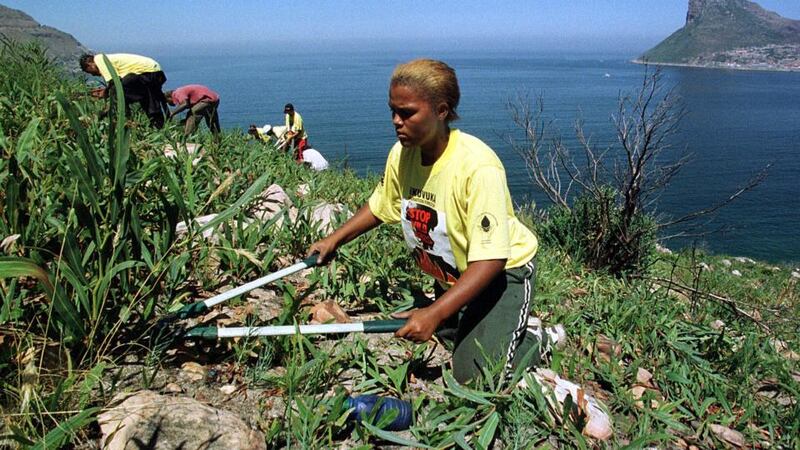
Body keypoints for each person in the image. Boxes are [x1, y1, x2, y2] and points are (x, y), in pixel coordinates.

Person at [307, 59, 557, 384]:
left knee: (475, 378)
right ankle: (485, 325)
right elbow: (381, 205)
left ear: (441, 111)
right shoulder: (402, 154)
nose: (397, 121)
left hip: (501, 274)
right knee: (447, 336)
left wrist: (435, 312)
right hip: (455, 276)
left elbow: (493, 258)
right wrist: (334, 240)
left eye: (408, 112)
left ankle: (537, 341)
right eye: (393, 111)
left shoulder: (477, 168)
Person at [79, 53, 168, 128]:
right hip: (154, 72)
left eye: (90, 71)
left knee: (117, 91)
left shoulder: (99, 59)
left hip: (149, 72)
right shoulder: (105, 59)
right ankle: (157, 125)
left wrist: (106, 94)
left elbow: (113, 81)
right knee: (145, 97)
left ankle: (125, 119)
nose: (93, 75)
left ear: (90, 64)